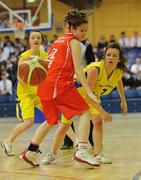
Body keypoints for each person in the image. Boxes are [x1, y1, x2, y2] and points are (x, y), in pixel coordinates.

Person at [20, 9, 111, 167]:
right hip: (58, 84)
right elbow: (77, 67)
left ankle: (30, 151)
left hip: (45, 84)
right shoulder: (74, 43)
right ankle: (82, 149)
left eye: (85, 30)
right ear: (71, 28)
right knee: (84, 111)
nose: (84, 33)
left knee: (51, 120)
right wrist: (89, 91)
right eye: (81, 30)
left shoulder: (57, 41)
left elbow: (57, 66)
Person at [40, 42, 128, 165]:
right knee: (64, 126)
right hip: (76, 94)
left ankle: (97, 154)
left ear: (119, 59)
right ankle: (52, 154)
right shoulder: (95, 69)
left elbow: (118, 82)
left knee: (97, 122)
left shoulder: (119, 71)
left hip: (92, 96)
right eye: (108, 55)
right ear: (104, 56)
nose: (111, 58)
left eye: (114, 56)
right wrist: (103, 112)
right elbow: (88, 94)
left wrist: (123, 101)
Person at [1, 30, 48, 156]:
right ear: (29, 40)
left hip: (40, 93)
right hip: (25, 93)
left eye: (38, 37)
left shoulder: (45, 56)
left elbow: (48, 74)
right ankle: (8, 141)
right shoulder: (23, 56)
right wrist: (32, 80)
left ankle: (76, 141)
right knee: (28, 122)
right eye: (33, 37)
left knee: (53, 117)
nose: (36, 39)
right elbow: (20, 78)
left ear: (41, 40)